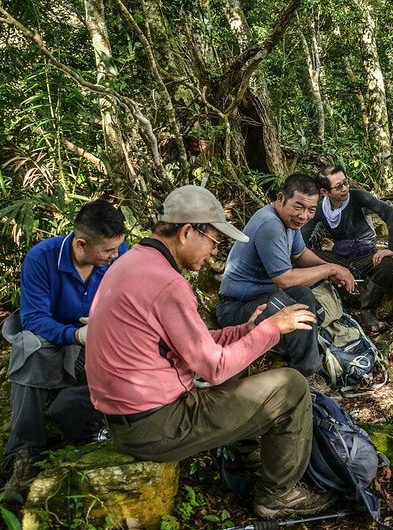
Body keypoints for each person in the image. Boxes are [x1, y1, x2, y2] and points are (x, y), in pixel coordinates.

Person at [85, 185, 337, 519]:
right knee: (291, 387)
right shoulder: (167, 283)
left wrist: (243, 332)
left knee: (244, 359)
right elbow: (213, 368)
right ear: (187, 232)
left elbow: (192, 343)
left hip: (126, 418)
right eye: (214, 242)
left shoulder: (134, 262)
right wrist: (273, 328)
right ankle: (279, 494)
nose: (215, 253)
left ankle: (250, 455)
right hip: (155, 426)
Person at [1, 199, 128, 502]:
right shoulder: (41, 258)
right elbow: (33, 318)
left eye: (117, 249)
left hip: (98, 335)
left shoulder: (118, 255)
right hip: (53, 336)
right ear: (81, 244)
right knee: (28, 352)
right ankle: (26, 449)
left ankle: (107, 427)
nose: (115, 256)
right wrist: (74, 334)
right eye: (108, 251)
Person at [216, 173, 355, 377]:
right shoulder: (270, 225)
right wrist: (330, 269)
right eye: (298, 206)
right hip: (234, 309)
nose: (304, 216)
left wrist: (332, 268)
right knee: (301, 301)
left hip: (261, 298)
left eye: (311, 210)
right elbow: (283, 279)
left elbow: (300, 254)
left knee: (304, 295)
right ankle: (305, 373)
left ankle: (303, 353)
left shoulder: (288, 222)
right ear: (281, 198)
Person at [301, 165, 393, 332]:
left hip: (366, 257)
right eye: (338, 186)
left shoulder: (358, 197)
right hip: (339, 259)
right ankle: (326, 304)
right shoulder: (320, 210)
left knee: (386, 264)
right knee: (304, 258)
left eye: (345, 182)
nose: (345, 188)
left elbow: (392, 213)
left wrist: (391, 248)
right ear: (325, 192)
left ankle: (367, 310)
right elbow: (302, 241)